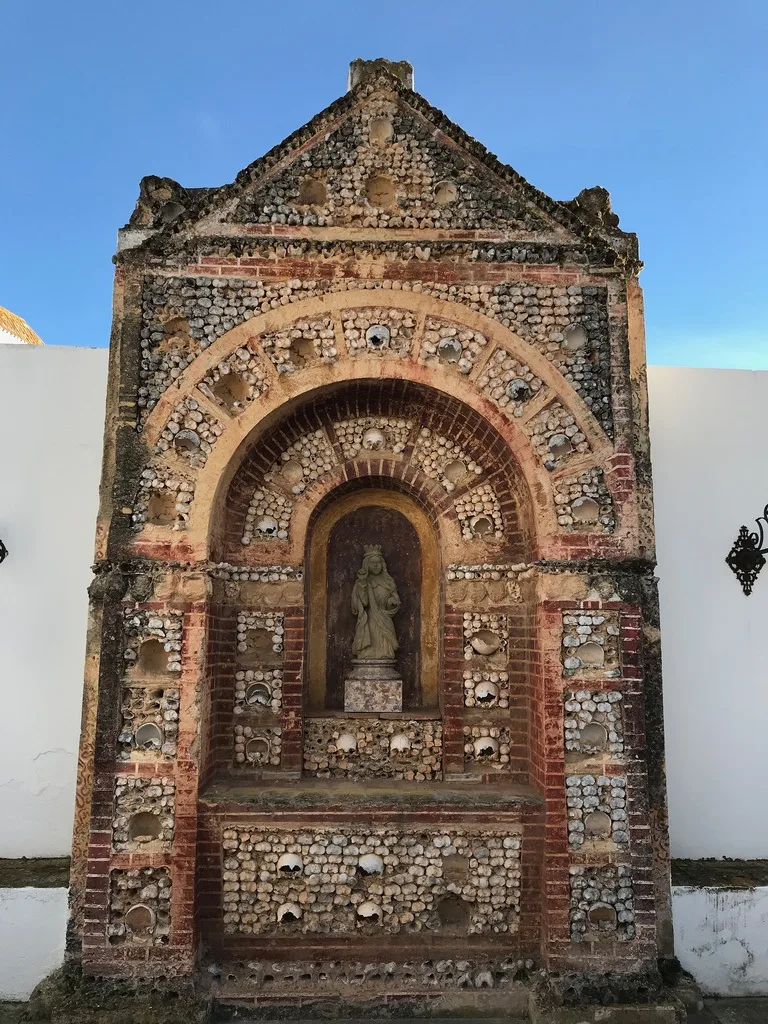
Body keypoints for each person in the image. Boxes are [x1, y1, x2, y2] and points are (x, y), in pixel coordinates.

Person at [351, 545, 400, 661]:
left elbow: (395, 600)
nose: (375, 565)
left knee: (385, 644)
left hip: (384, 617)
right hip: (369, 617)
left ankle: (385, 656)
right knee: (370, 637)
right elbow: (364, 603)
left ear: (383, 564)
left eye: (378, 562)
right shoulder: (362, 581)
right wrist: (362, 583)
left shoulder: (388, 581)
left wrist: (392, 602)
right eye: (372, 563)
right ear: (366, 565)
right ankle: (367, 654)